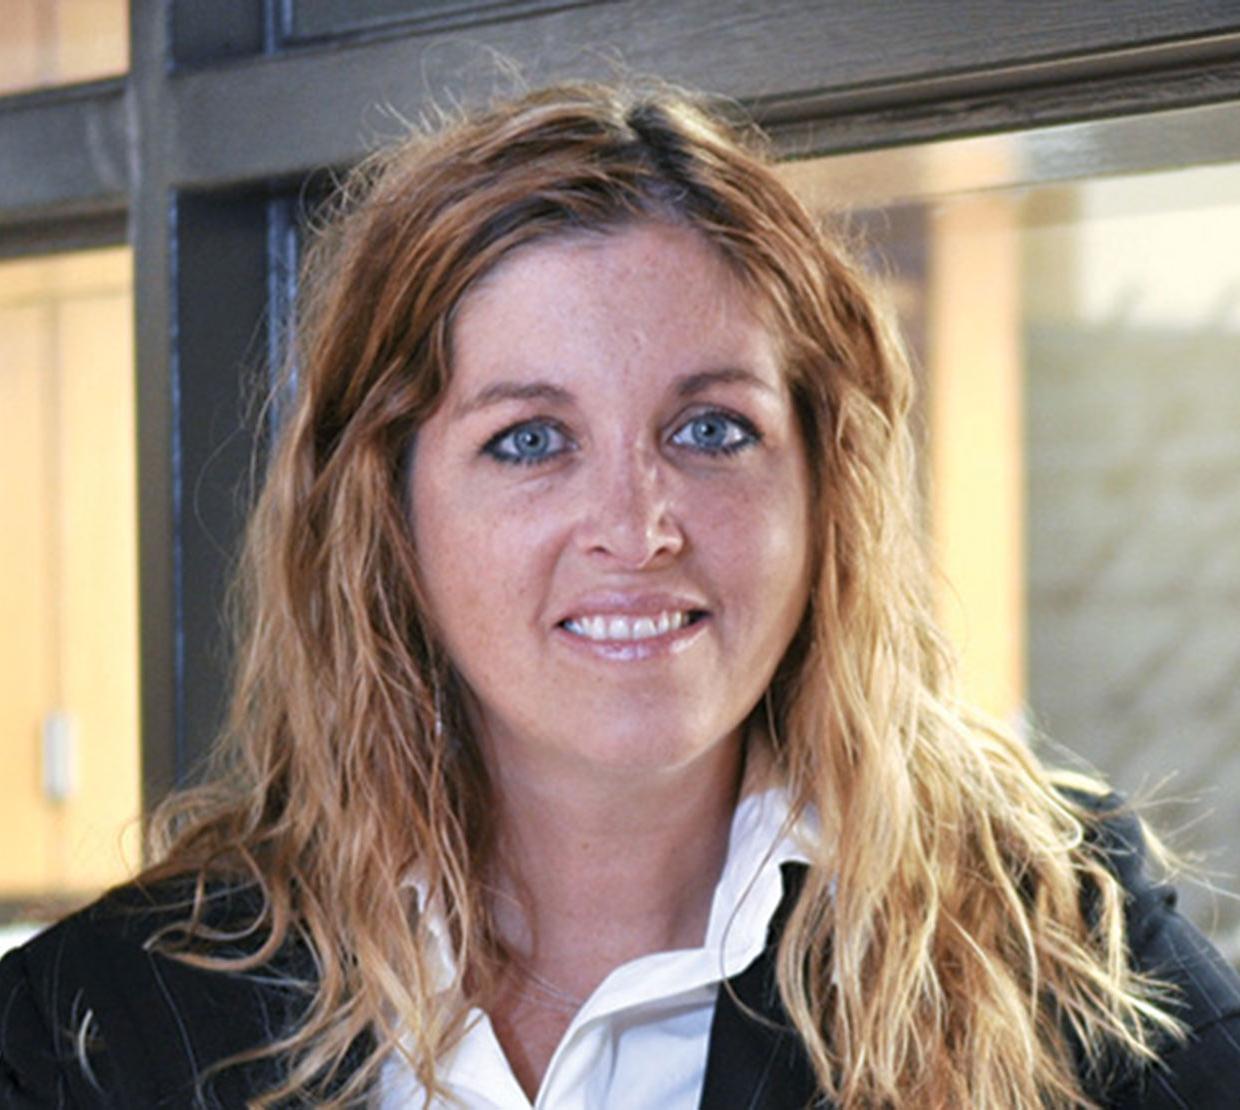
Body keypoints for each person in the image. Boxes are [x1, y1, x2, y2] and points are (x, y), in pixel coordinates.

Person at [2, 81, 1239, 1110]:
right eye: (531, 441)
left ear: (822, 487)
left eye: (711, 428)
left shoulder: (1058, 934)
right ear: (387, 510)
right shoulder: (93, 1027)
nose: (638, 529)